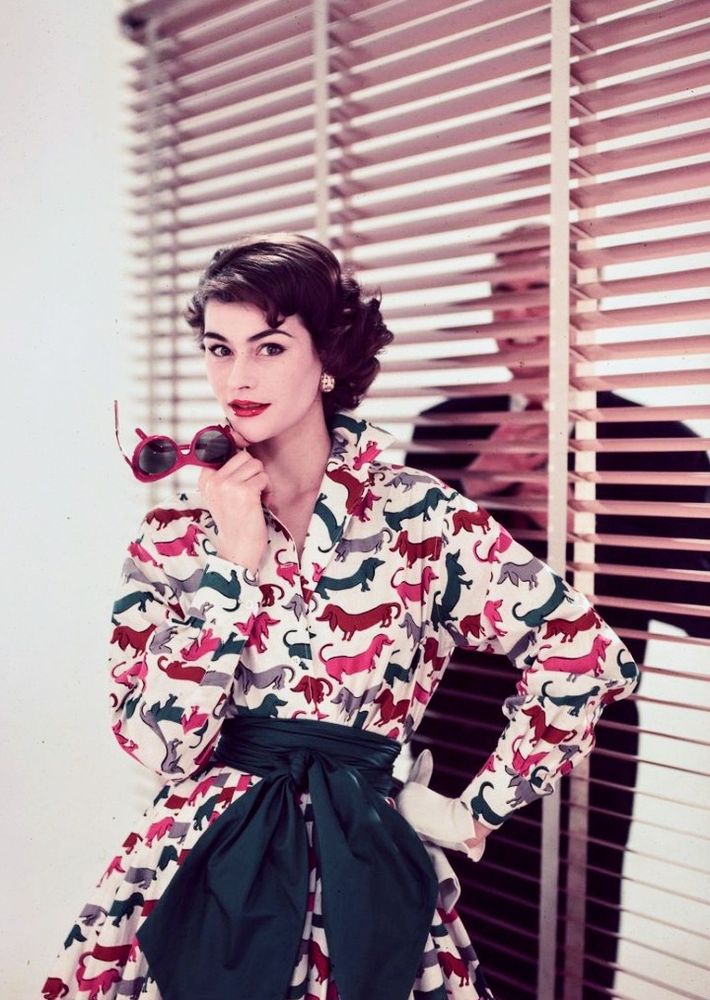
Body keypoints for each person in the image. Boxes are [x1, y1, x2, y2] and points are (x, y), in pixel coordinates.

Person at [41, 232, 640, 1000]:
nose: (238, 376)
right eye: (219, 349)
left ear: (326, 357)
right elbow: (160, 744)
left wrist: (477, 809)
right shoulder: (174, 536)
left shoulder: (418, 517)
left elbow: (583, 652)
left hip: (366, 862)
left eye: (269, 347)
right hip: (197, 864)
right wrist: (234, 564)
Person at [407, 225, 710, 998]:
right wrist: (478, 488)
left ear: (586, 305)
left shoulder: (659, 443)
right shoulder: (446, 430)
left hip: (588, 753)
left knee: (577, 944)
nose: (515, 314)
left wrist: (598, 538)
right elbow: (395, 591)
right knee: (453, 939)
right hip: (457, 736)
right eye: (502, 294)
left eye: (537, 290)